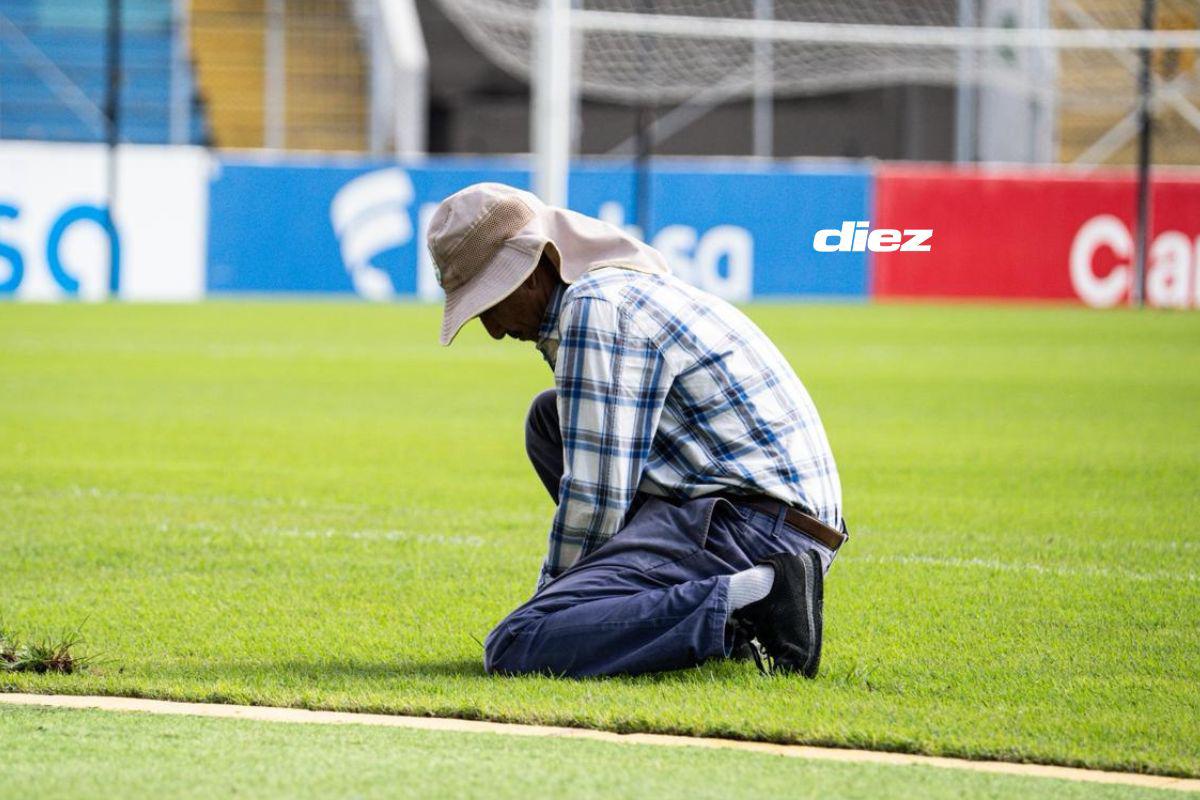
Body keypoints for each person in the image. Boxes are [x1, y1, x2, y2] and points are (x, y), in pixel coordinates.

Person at [427, 182, 847, 679]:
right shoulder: (615, 285)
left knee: (519, 643)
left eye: (489, 304)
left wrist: (559, 609)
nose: (494, 330)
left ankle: (756, 598)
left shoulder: (593, 309)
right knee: (550, 420)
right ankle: (703, 602)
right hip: (773, 517)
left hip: (756, 530)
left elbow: (596, 494)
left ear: (532, 272)